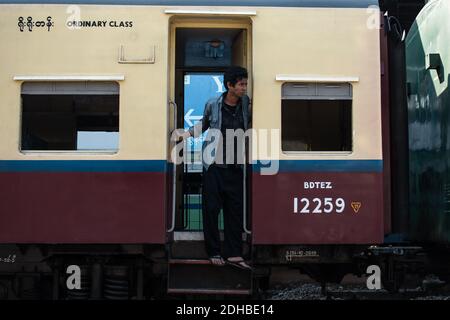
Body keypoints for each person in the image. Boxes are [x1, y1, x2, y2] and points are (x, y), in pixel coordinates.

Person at [177, 66, 251, 270]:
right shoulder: (213, 104)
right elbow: (204, 125)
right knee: (211, 210)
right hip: (214, 167)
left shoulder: (246, 104)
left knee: (234, 211)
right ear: (229, 85)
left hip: (235, 166)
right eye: (241, 84)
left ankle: (234, 253)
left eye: (245, 84)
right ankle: (214, 252)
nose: (245, 88)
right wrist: (184, 135)